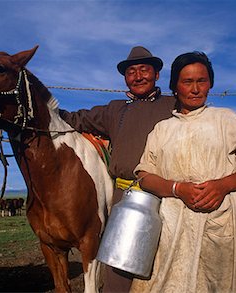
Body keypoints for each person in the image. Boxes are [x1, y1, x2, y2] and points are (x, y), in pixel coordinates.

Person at [131, 51, 236, 293]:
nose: (195, 89)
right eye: (187, 82)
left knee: (225, 283)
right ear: (175, 87)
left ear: (210, 84)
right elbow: (145, 175)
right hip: (173, 225)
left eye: (201, 81)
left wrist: (224, 185)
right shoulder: (162, 130)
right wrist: (178, 189)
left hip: (224, 221)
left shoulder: (226, 120)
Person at [59, 46, 176, 292]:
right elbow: (75, 119)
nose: (138, 76)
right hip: (125, 198)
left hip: (169, 198)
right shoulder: (115, 110)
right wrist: (40, 106)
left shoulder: (174, 106)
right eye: (131, 71)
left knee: (169, 265)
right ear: (125, 78)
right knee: (118, 271)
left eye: (145, 69)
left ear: (156, 74)